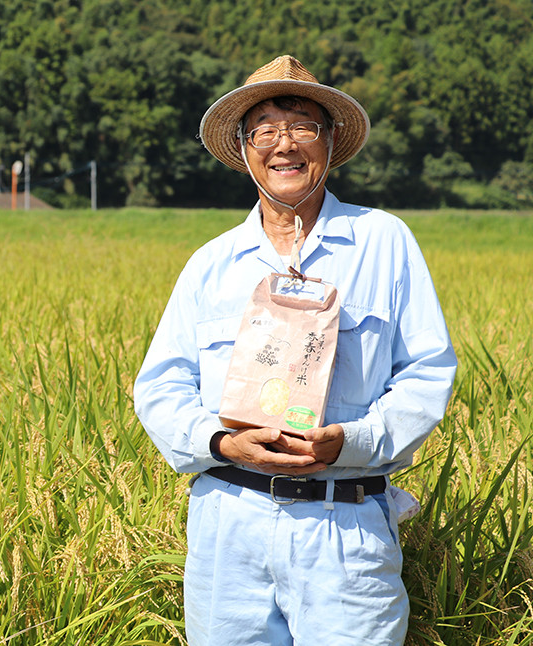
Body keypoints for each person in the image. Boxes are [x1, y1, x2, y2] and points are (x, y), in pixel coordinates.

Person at [133, 55, 457, 645]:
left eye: (301, 125)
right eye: (263, 129)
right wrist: (220, 441)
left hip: (345, 524)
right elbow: (160, 385)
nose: (283, 144)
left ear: (330, 141)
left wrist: (351, 442)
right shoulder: (212, 263)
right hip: (228, 527)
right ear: (244, 147)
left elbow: (426, 373)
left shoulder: (383, 242)